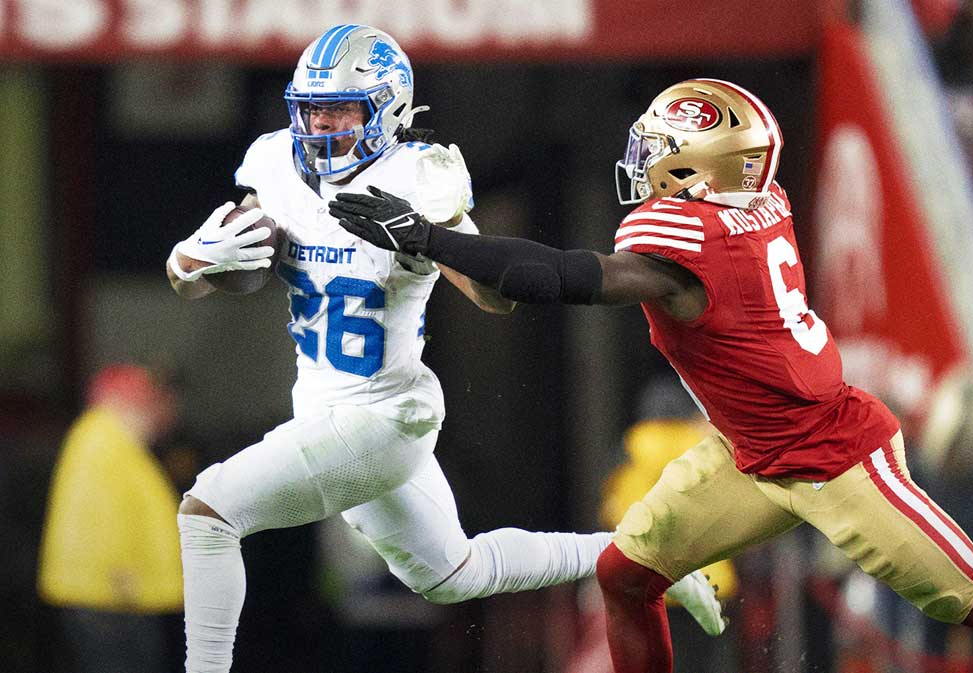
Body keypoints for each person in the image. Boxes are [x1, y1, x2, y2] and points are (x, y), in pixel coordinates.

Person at [328, 77, 973, 673]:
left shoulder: (688, 245)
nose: (644, 161)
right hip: (750, 449)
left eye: (661, 148)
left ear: (696, 169)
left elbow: (559, 277)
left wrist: (430, 236)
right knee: (628, 574)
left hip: (832, 454)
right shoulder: (756, 201)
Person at [164, 25, 720, 673]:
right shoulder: (273, 163)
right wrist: (190, 263)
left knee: (207, 511)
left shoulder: (417, 174)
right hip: (322, 415)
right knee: (455, 571)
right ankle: (646, 562)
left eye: (340, 109)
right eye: (310, 108)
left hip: (382, 418)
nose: (319, 125)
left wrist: (425, 235)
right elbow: (245, 269)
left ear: (387, 107)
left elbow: (495, 297)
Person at [38, 364, 182, 673]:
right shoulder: (102, 441)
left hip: (115, 595)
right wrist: (121, 576)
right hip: (110, 598)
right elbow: (97, 517)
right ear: (125, 404)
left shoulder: (113, 442)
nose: (155, 418)